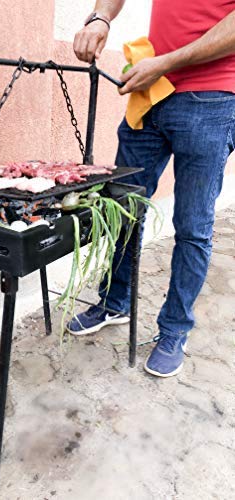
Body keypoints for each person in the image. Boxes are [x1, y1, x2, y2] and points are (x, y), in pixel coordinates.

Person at [68, 0, 235, 377]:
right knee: (124, 210)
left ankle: (175, 330)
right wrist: (100, 18)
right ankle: (114, 301)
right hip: (151, 92)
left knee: (192, 228)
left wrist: (166, 62)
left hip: (212, 99)